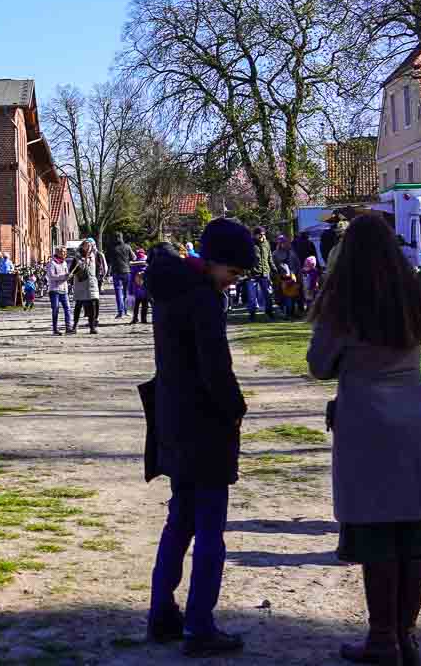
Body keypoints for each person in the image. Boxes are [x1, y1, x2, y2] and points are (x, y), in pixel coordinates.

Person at [307, 214, 421, 666]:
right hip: (411, 411)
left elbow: (320, 364)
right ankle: (406, 635)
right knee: (414, 529)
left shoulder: (342, 303)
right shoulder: (414, 293)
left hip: (365, 416)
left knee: (377, 530)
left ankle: (383, 636)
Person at [145, 219, 252, 657]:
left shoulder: (171, 289)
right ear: (216, 262)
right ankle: (200, 624)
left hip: (174, 418)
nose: (234, 282)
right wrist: (235, 408)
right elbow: (215, 369)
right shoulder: (203, 299)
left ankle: (162, 613)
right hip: (205, 424)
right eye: (234, 273)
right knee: (210, 529)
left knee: (180, 521)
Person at [69, 239, 108, 335]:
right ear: (82, 246)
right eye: (86, 245)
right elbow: (72, 271)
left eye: (90, 245)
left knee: (92, 306)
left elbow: (99, 268)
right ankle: (74, 326)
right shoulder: (77, 257)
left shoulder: (95, 256)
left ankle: (92, 327)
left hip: (91, 284)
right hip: (80, 284)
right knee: (78, 305)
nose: (88, 247)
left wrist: (100, 278)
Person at [43, 248, 72, 335]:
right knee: (55, 309)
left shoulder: (65, 263)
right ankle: (55, 329)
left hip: (64, 289)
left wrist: (69, 276)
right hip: (54, 290)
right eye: (62, 252)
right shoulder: (52, 263)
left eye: (65, 252)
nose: (64, 254)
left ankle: (68, 327)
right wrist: (64, 276)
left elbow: (66, 274)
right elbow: (51, 276)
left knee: (67, 309)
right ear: (57, 253)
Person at [109, 234, 135, 319]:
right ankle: (127, 311)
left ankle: (120, 312)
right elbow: (134, 257)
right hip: (126, 271)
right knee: (126, 292)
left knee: (118, 293)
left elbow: (109, 260)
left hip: (116, 272)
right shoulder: (127, 247)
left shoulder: (113, 248)